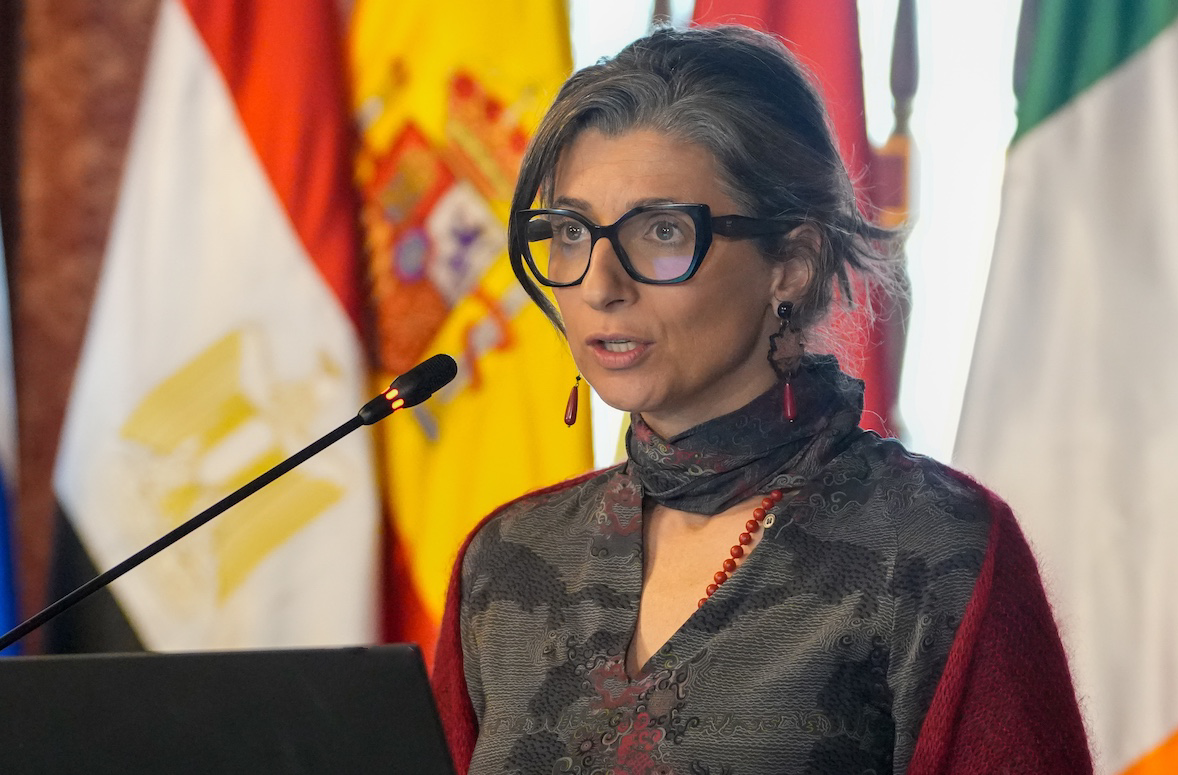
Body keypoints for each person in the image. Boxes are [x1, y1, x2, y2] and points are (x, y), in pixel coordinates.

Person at [430, 25, 1091, 775]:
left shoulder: (934, 547)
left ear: (792, 265)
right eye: (571, 232)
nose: (599, 284)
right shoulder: (507, 561)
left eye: (661, 231)